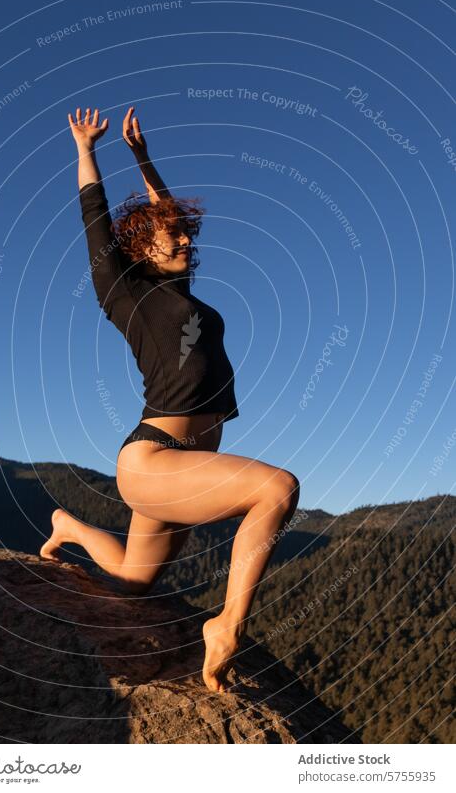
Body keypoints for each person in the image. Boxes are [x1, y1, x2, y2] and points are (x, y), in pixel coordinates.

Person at [40, 105, 300, 692]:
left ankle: (69, 527)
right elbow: (95, 216)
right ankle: (227, 627)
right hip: (155, 459)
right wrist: (88, 148)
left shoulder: (175, 286)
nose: (185, 238)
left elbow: (167, 210)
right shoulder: (123, 292)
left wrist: (143, 157)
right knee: (277, 489)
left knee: (134, 581)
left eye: (186, 232)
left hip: (180, 469)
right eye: (173, 235)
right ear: (141, 248)